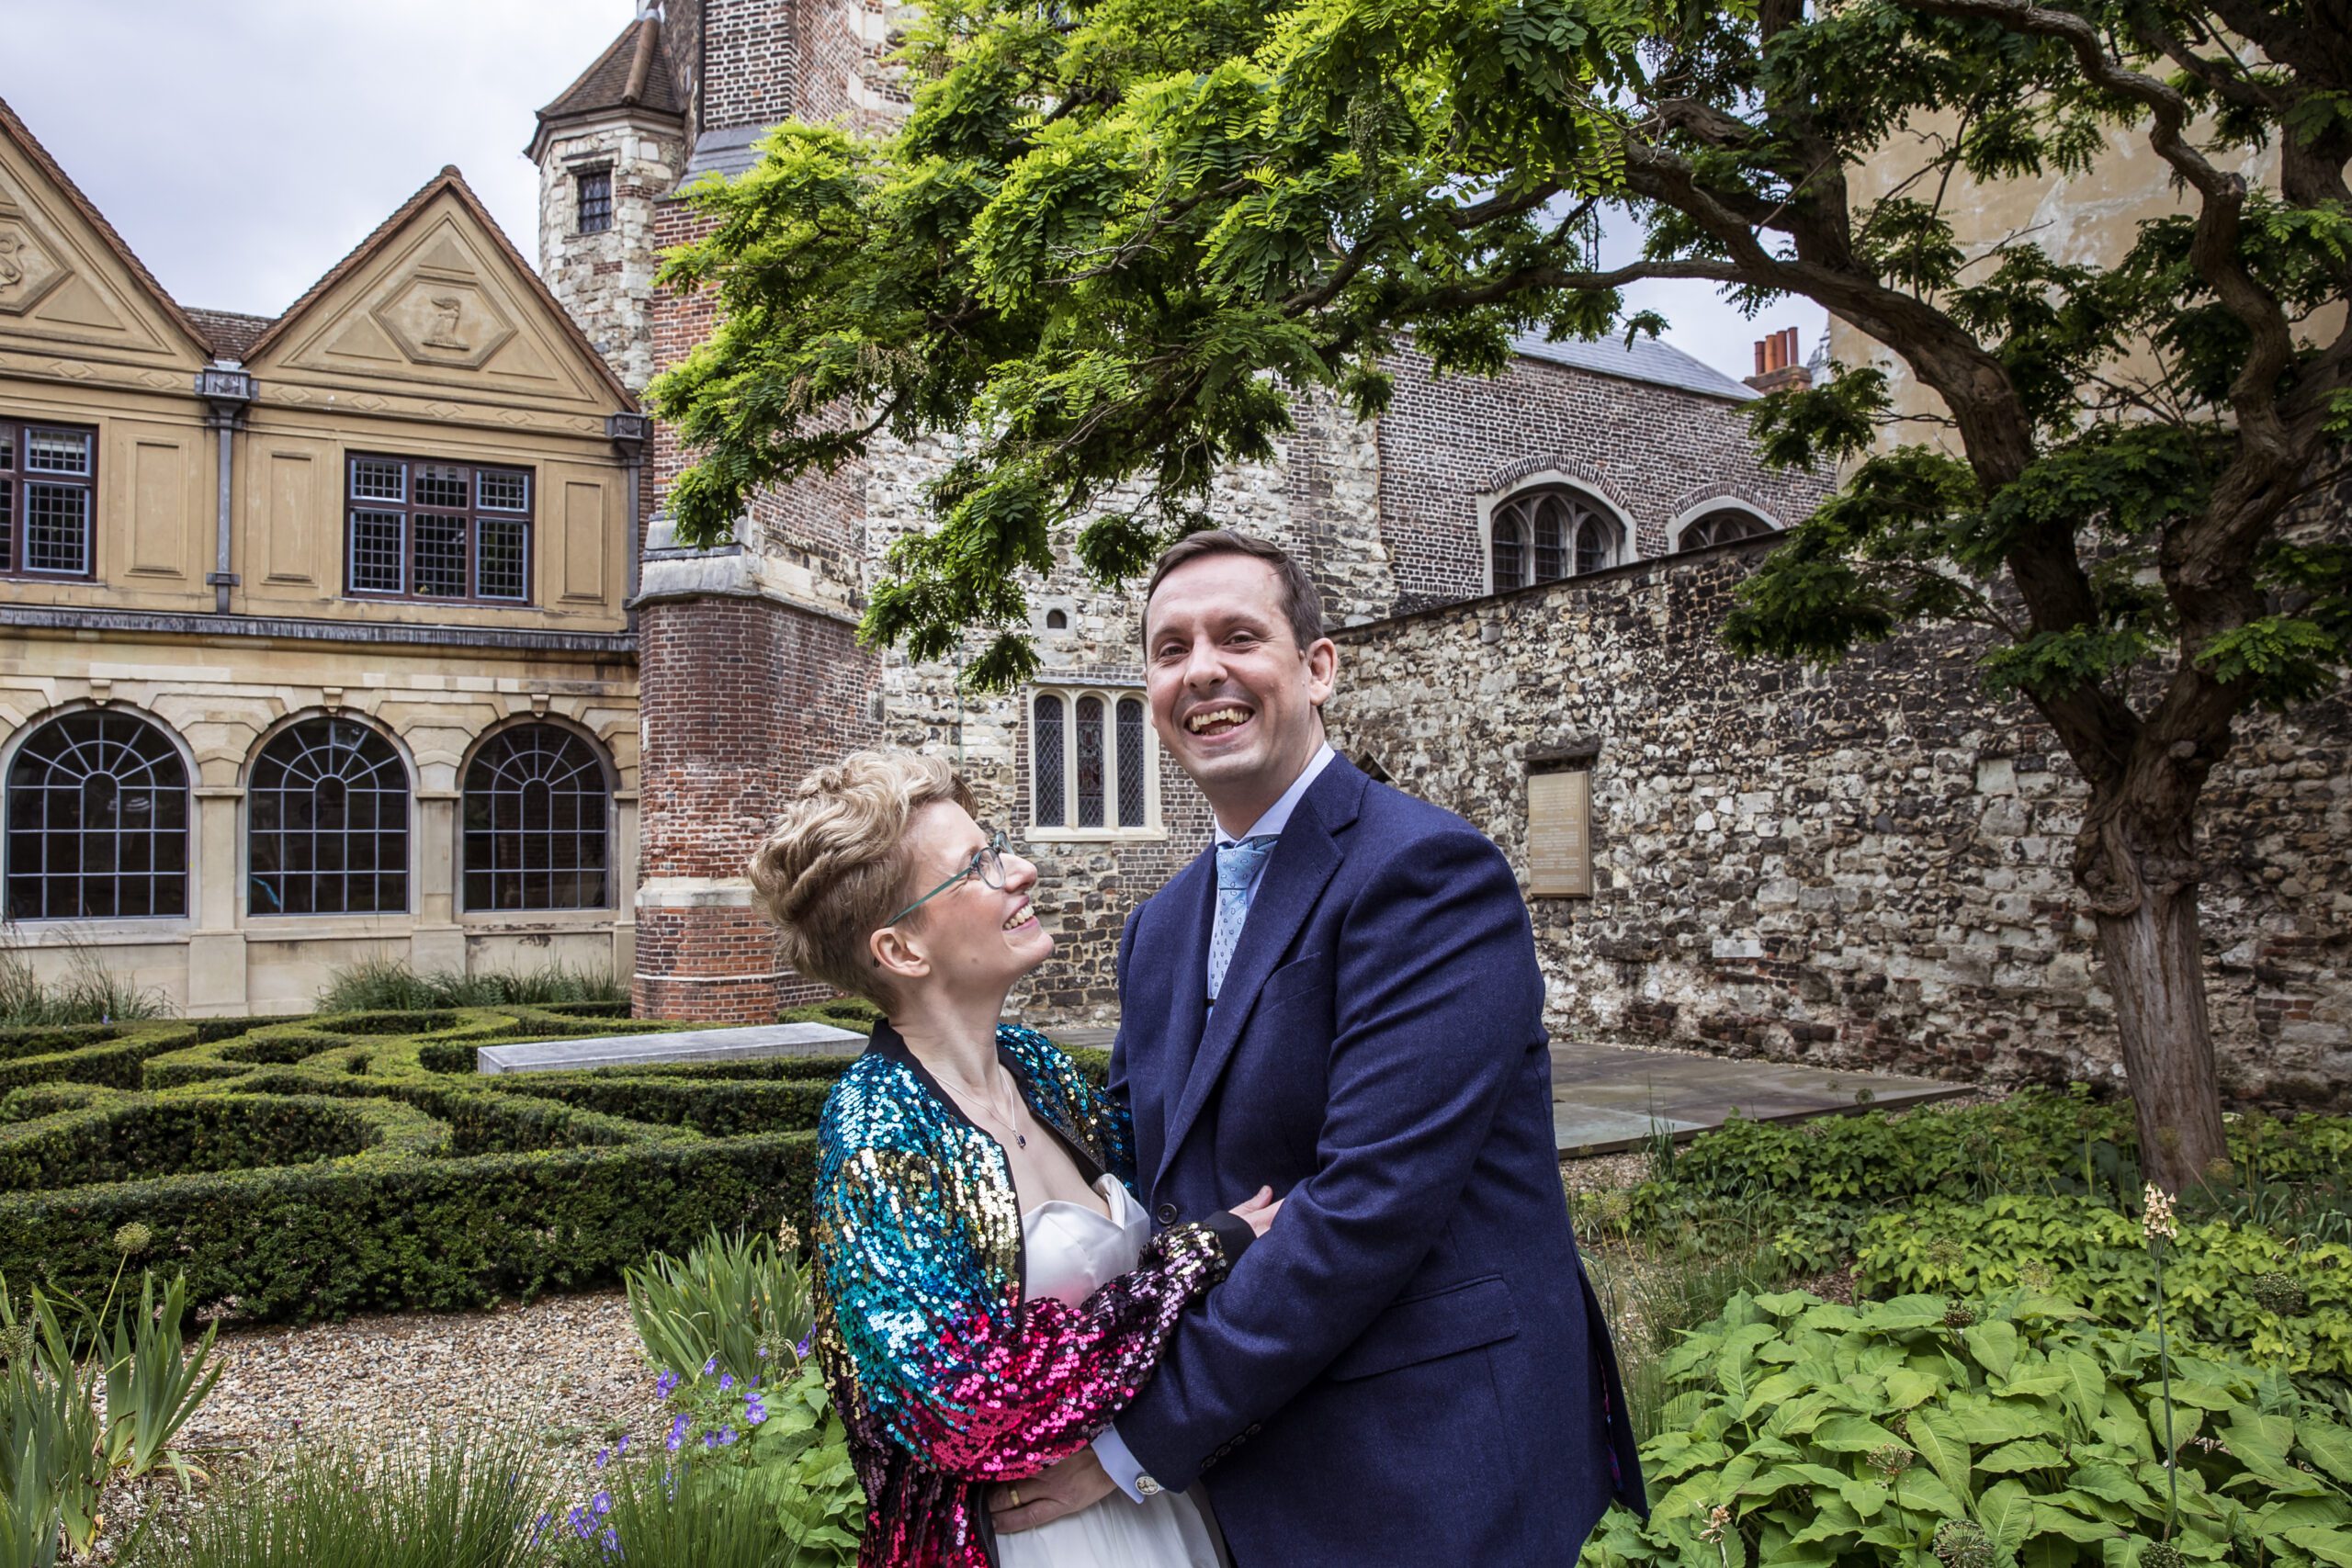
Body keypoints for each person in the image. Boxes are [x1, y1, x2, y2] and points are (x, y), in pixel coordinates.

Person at [990, 530, 1647, 1564]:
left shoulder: (1425, 873)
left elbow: (1365, 1209)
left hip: (1418, 1457)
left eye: (1238, 636)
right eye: (1170, 650)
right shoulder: (1159, 923)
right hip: (1244, 1459)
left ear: (1318, 666)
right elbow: (1143, 1172)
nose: (1201, 670)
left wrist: (1135, 1442)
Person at [749, 750, 1280, 1568]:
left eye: (994, 845)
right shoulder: (877, 1136)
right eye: (978, 866)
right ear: (901, 950)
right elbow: (970, 1409)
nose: (1021, 869)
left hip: (1153, 1499)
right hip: (1038, 1539)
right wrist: (1192, 1262)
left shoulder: (1034, 1066)